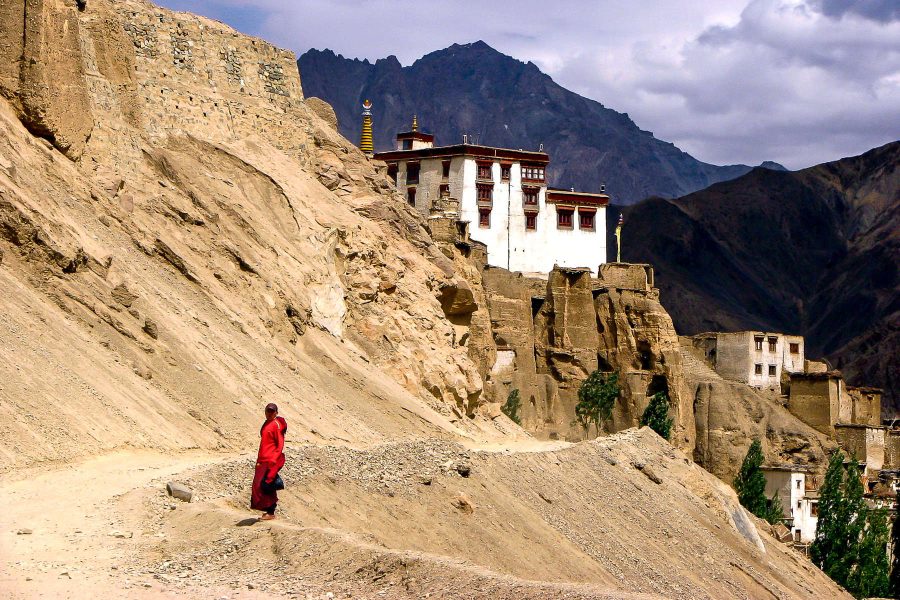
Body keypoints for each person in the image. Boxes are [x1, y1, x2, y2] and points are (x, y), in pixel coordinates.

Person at [250, 402, 287, 520]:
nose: (269, 413)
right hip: (262, 460)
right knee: (258, 485)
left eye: (272, 411)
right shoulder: (266, 423)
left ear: (276, 412)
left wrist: (273, 460)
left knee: (266, 484)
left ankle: (271, 511)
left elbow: (280, 444)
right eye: (268, 411)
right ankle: (268, 510)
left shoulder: (276, 425)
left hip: (271, 460)